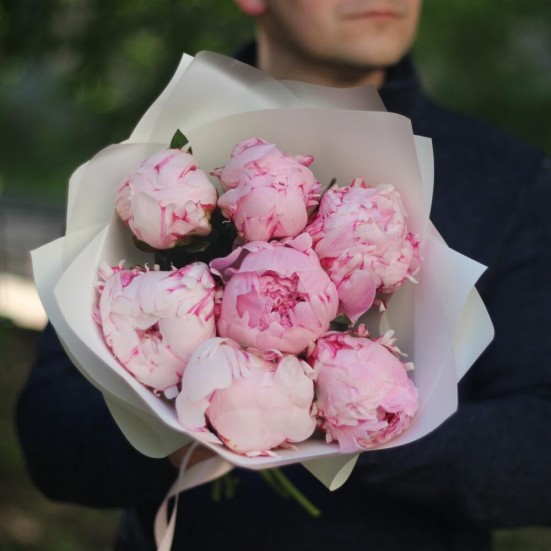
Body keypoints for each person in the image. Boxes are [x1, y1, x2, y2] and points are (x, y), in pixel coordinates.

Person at [17, 1, 551, 550]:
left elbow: (539, 456)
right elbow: (52, 443)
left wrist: (348, 417)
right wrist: (190, 420)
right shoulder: (152, 170)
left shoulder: (509, 180)